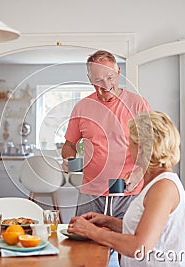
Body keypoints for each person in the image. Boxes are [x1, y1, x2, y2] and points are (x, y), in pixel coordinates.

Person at [67, 111, 185, 267]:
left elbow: (139, 246)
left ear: (141, 148)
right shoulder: (158, 182)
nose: (128, 148)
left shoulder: (163, 188)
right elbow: (146, 230)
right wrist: (109, 221)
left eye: (130, 142)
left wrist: (92, 232)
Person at [61, 50, 151, 219]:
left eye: (110, 77)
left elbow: (150, 147)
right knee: (83, 242)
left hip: (128, 193)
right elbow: (69, 145)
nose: (105, 85)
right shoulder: (82, 107)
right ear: (90, 80)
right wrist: (68, 159)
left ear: (118, 72)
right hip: (90, 194)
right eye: (98, 80)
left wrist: (139, 172)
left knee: (125, 242)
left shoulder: (138, 104)